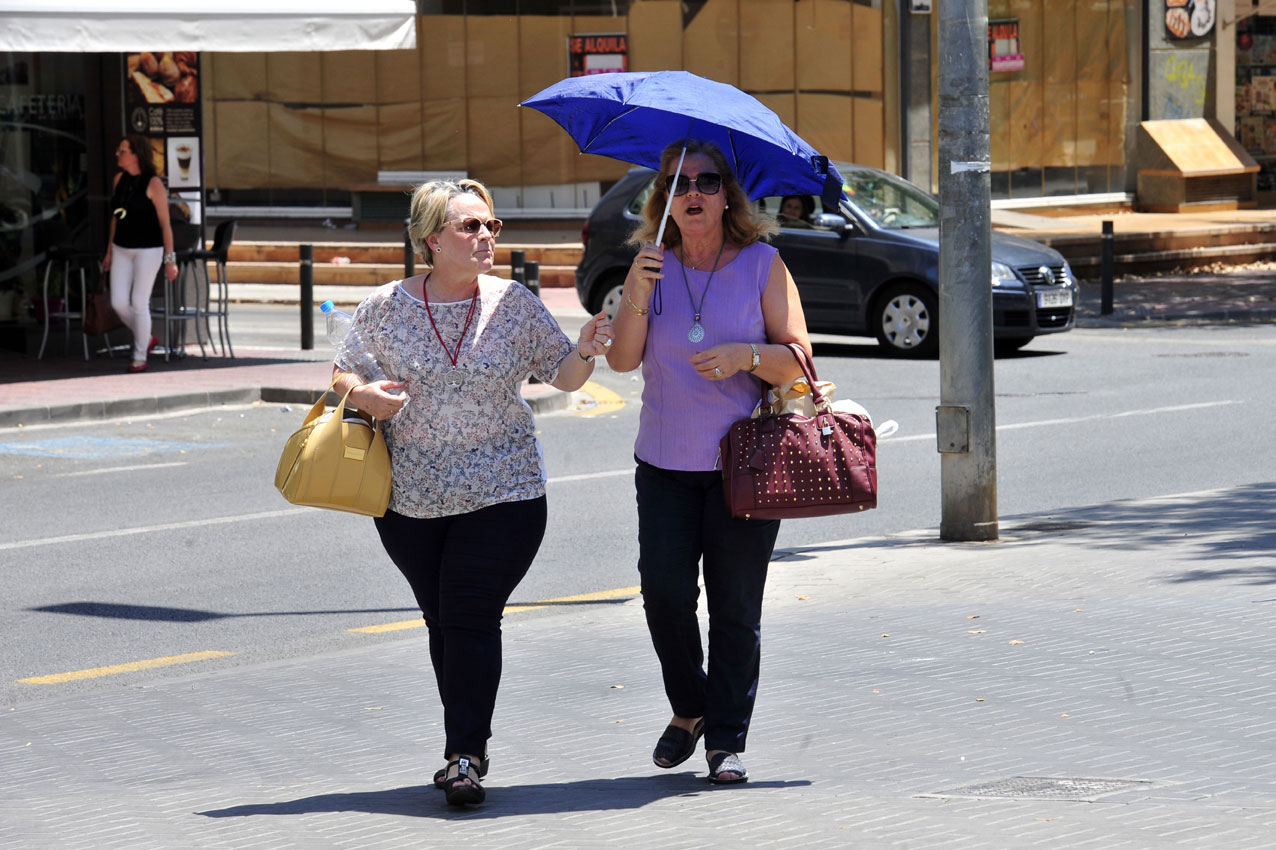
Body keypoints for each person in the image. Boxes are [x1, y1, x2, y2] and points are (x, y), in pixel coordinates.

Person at [330, 178, 612, 807]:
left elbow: (561, 371)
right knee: (443, 622)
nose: (486, 237)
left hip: (504, 491)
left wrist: (587, 350)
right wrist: (364, 394)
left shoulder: (514, 302)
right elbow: (344, 370)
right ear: (431, 238)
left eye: (491, 226)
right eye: (470, 227)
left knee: (468, 614)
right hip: (410, 501)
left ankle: (465, 755)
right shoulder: (384, 306)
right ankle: (463, 742)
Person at [606, 140, 812, 785]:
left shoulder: (763, 265)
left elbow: (801, 362)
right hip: (663, 465)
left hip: (743, 465)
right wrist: (637, 290)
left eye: (707, 181)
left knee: (735, 608)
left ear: (728, 196)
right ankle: (690, 706)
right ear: (661, 196)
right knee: (664, 594)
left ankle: (725, 740)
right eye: (678, 181)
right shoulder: (650, 267)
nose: (693, 192)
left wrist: (746, 356)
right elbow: (619, 361)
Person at [102, 135, 177, 373]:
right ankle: (145, 337)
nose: (118, 154)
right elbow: (116, 217)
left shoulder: (153, 183)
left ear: (135, 155)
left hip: (149, 250)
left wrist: (170, 260)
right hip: (121, 248)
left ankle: (139, 356)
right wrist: (108, 252)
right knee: (118, 303)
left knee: (138, 302)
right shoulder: (119, 180)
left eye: (122, 151)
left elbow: (165, 224)